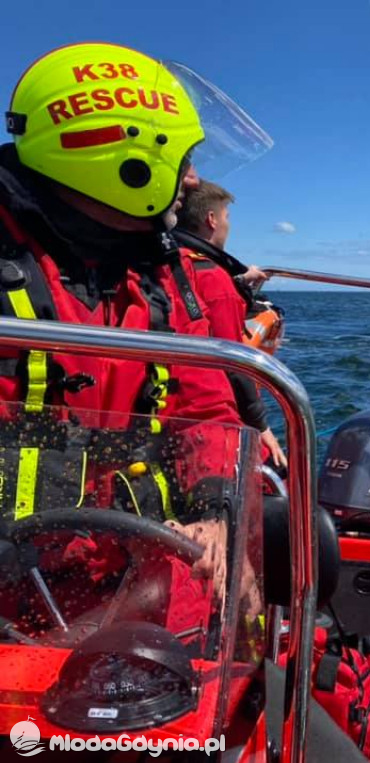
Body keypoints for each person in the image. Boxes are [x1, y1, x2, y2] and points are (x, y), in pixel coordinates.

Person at [0, 42, 253, 632]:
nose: (192, 180)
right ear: (125, 161)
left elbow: (205, 406)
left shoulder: (169, 272)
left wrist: (217, 511)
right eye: (183, 160)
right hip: (18, 590)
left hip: (139, 575)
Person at [176, 179, 287, 468]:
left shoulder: (175, 261)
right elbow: (234, 362)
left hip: (174, 400)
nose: (228, 224)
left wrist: (238, 281)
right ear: (212, 219)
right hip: (207, 412)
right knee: (279, 468)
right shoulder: (214, 279)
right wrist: (263, 429)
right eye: (227, 216)